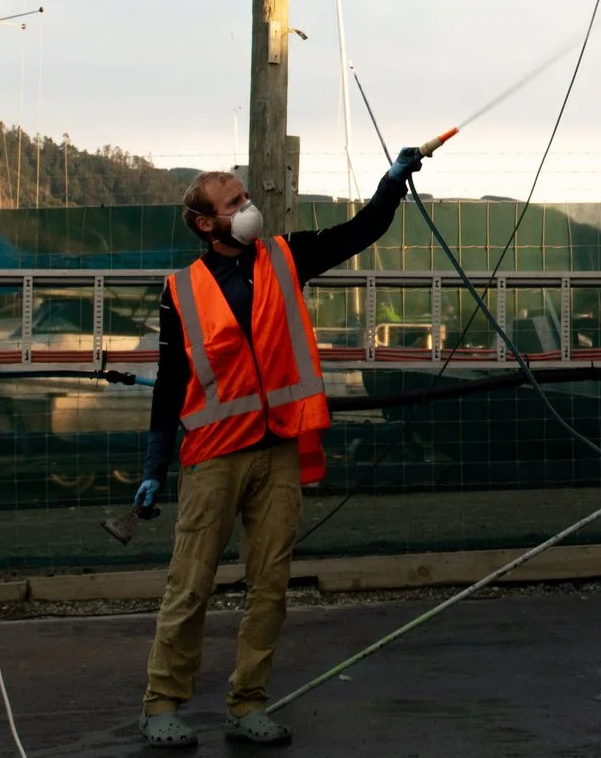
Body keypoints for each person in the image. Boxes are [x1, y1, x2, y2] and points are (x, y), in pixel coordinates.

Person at [135, 144, 423, 748]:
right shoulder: (180, 290)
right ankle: (162, 702)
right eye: (233, 203)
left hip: (279, 446)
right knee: (191, 583)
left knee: (270, 584)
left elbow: (360, 231)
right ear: (205, 223)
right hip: (214, 453)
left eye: (244, 198)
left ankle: (249, 701)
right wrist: (154, 465)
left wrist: (391, 184)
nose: (248, 208)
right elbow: (170, 381)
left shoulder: (286, 256)